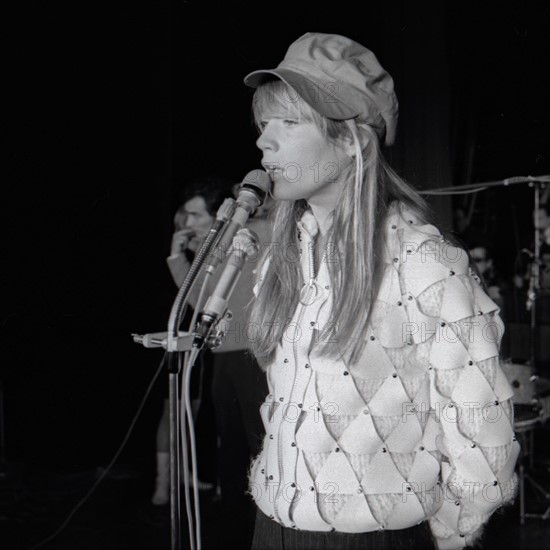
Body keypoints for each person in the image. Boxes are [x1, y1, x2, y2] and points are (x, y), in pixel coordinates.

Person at [241, 32, 520, 550]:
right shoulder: (285, 256)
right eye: (263, 124)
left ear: (352, 141)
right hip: (274, 528)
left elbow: (484, 436)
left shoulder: (422, 260)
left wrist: (445, 534)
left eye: (289, 122)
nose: (264, 142)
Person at [160, 176, 271, 548]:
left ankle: (267, 525)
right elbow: (202, 304)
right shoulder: (211, 249)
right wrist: (179, 260)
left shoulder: (253, 231)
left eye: (194, 215)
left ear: (217, 211)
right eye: (185, 216)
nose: (186, 223)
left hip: (256, 354)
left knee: (260, 444)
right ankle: (235, 528)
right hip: (224, 355)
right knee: (232, 447)